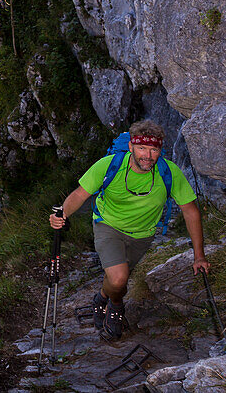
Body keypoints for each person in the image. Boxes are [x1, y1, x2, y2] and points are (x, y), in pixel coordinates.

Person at [49, 119, 210, 340]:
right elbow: (80, 194)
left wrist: (199, 256)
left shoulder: (168, 172)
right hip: (108, 225)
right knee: (118, 278)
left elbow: (191, 211)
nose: (148, 155)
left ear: (160, 150)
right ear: (132, 146)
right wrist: (62, 214)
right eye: (142, 148)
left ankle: (102, 298)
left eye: (154, 150)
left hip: (143, 235)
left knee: (117, 279)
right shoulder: (109, 165)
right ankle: (116, 307)